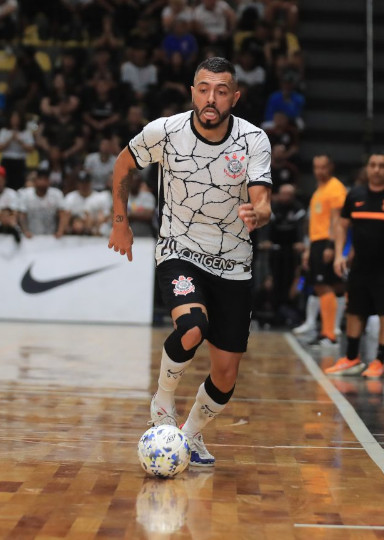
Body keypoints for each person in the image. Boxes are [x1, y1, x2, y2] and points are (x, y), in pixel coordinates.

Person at [107, 57, 272, 466]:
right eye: (203, 88)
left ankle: (189, 436)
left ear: (235, 96)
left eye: (220, 90)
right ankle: (162, 403)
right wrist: (120, 222)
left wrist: (259, 213)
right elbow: (123, 166)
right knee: (192, 326)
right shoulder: (165, 131)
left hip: (234, 262)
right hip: (179, 250)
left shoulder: (253, 140)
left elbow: (263, 201)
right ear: (192, 91)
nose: (210, 98)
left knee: (226, 373)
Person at [322, 153, 384, 379]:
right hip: (359, 266)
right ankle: (351, 358)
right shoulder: (355, 195)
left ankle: (379, 361)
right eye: (373, 165)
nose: (377, 169)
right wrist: (340, 254)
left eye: (382, 166)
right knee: (355, 312)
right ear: (367, 168)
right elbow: (342, 225)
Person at [292, 155, 347, 346]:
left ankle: (330, 334)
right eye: (316, 167)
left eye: (323, 167)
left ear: (330, 167)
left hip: (326, 242)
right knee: (319, 287)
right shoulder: (319, 190)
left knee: (326, 286)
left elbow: (337, 220)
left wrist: (331, 246)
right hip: (316, 242)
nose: (319, 171)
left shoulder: (335, 188)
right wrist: (308, 249)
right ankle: (325, 331)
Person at [19, 168, 66, 238]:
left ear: (49, 181)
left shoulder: (57, 194)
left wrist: (60, 231)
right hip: (31, 236)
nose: (43, 182)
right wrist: (25, 231)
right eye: (40, 179)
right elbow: (22, 215)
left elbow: (63, 214)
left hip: (51, 236)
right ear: (35, 181)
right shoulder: (25, 194)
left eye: (45, 179)